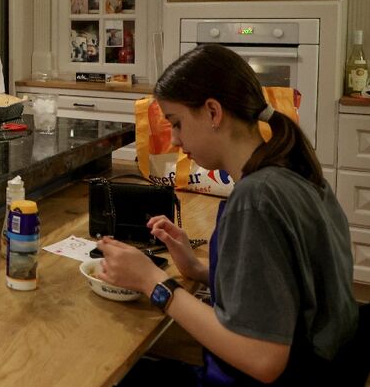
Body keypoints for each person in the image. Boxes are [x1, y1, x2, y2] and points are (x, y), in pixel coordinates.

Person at [98, 44, 359, 386]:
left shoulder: (255, 200)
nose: (174, 139)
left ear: (213, 112)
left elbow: (263, 360)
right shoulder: (298, 173)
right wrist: (198, 270)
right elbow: (284, 289)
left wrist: (153, 282)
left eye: (177, 123)